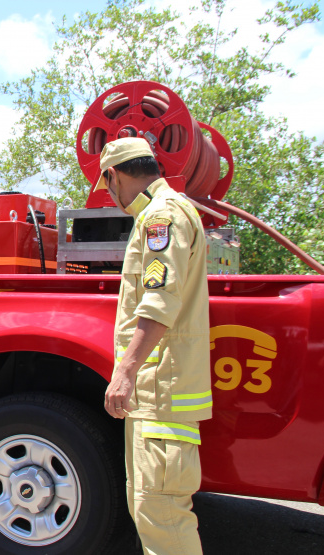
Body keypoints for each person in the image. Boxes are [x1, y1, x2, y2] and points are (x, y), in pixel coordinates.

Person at [97, 138, 213, 555]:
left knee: (161, 513)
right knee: (149, 507)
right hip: (160, 391)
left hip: (162, 390)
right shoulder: (167, 211)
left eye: (107, 185)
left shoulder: (160, 216)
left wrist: (125, 372)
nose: (111, 196)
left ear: (115, 174)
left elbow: (159, 300)